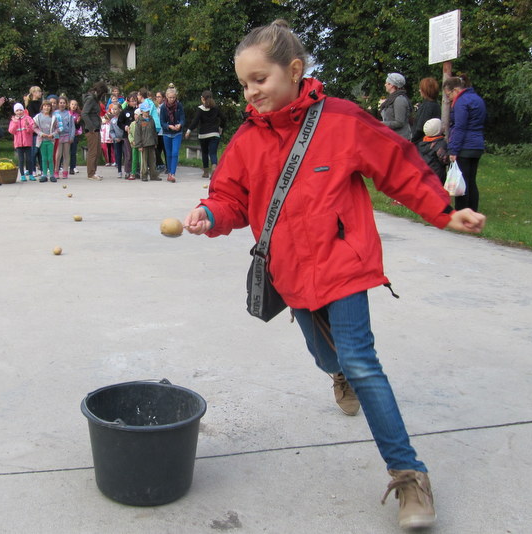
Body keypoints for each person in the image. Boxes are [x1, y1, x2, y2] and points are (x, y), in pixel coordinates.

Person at [182, 19, 486, 530]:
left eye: (260, 79)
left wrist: (442, 210)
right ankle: (336, 374)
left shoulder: (342, 120)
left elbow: (400, 165)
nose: (251, 92)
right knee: (326, 354)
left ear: (295, 70)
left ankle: (409, 475)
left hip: (344, 265)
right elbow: (231, 196)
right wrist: (210, 214)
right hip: (290, 272)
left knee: (362, 361)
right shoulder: (247, 139)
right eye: (243, 84)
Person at [444, 73, 486, 212]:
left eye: (449, 95)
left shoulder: (461, 102)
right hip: (477, 145)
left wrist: (454, 150)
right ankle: (473, 210)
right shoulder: (477, 99)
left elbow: (460, 127)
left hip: (465, 146)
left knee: (461, 181)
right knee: (471, 180)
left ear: (456, 90)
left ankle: (462, 211)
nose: (449, 99)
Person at [185, 90, 225, 178]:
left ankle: (206, 172)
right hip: (214, 133)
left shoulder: (200, 109)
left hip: (203, 134)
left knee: (205, 152)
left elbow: (195, 121)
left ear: (202, 98)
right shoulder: (215, 108)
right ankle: (214, 166)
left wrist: (189, 130)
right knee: (213, 153)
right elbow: (223, 118)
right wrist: (220, 128)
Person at [82, 82, 108, 181]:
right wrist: (91, 127)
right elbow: (84, 113)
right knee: (93, 152)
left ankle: (94, 172)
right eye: (103, 94)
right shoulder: (91, 99)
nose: (103, 96)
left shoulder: (95, 99)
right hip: (91, 129)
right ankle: (90, 173)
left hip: (96, 127)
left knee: (97, 151)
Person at [160, 84, 185, 182]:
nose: (172, 99)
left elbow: (183, 118)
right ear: (166, 97)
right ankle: (169, 172)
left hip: (177, 133)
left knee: (175, 153)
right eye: (170, 97)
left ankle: (173, 174)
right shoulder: (163, 107)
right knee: (169, 153)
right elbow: (161, 121)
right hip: (166, 133)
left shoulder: (179, 105)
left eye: (174, 97)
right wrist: (168, 126)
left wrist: (180, 124)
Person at [8, 102, 35, 182]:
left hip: (27, 143)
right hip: (19, 143)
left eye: (20, 110)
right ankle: (22, 175)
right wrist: (15, 123)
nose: (19, 112)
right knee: (21, 160)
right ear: (15, 112)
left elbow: (31, 130)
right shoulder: (13, 120)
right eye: (17, 110)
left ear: (23, 110)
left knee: (29, 159)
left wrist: (27, 125)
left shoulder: (28, 118)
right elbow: (11, 131)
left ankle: (30, 174)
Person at [380, 72, 412, 140]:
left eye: (387, 83)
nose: (385, 85)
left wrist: (381, 124)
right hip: (393, 137)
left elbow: (399, 122)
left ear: (391, 85)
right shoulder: (392, 99)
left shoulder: (399, 100)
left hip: (400, 139)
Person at [134, 101, 160, 181]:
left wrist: (156, 142)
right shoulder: (139, 121)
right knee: (144, 162)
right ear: (141, 111)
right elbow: (137, 134)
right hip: (144, 144)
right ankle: (144, 175)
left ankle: (153, 175)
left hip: (151, 143)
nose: (147, 112)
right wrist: (139, 145)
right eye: (146, 111)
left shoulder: (151, 119)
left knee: (153, 160)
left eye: (148, 111)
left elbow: (154, 132)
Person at [417, 118, 448, 184]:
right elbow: (444, 159)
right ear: (438, 130)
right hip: (437, 174)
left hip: (424, 173)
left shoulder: (421, 144)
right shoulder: (440, 143)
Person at [411, 77, 442, 145]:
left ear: (425, 90)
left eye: (421, 88)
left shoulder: (427, 106)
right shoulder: (436, 105)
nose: (419, 90)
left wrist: (411, 140)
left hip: (422, 143)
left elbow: (420, 128)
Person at [33, 100, 57, 182]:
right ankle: (44, 175)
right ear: (42, 107)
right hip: (42, 140)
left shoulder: (53, 117)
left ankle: (52, 175)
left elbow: (58, 128)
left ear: (51, 107)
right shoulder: (38, 117)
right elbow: (34, 127)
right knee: (44, 158)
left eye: (48, 106)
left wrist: (53, 134)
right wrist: (40, 133)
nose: (46, 107)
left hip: (50, 141)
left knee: (50, 158)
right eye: (45, 106)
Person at [117, 92, 138, 180]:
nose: (134, 103)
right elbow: (119, 122)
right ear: (128, 101)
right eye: (132, 101)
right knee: (128, 154)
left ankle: (136, 171)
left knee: (136, 154)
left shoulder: (138, 111)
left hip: (137, 136)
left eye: (135, 101)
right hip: (127, 136)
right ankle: (127, 171)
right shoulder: (124, 111)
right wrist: (125, 127)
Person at [54, 96, 75, 179]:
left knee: (66, 154)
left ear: (66, 104)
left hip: (67, 135)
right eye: (60, 103)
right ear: (58, 104)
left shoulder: (69, 114)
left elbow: (72, 126)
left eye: (64, 103)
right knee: (58, 155)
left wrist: (71, 136)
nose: (62, 104)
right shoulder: (55, 113)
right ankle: (56, 171)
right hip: (58, 136)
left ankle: (65, 171)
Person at [24, 86, 43, 177]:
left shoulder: (41, 103)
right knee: (34, 151)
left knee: (40, 151)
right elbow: (31, 117)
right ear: (34, 93)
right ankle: (33, 169)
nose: (40, 93)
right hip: (34, 131)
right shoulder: (30, 104)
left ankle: (42, 169)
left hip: (42, 130)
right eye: (38, 92)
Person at [109, 103, 125, 179]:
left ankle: (127, 170)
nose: (114, 111)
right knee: (118, 155)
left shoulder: (123, 118)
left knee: (126, 154)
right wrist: (115, 138)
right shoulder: (112, 120)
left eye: (116, 109)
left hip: (124, 139)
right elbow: (111, 131)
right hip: (117, 140)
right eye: (113, 109)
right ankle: (119, 171)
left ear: (120, 110)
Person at [68, 99, 83, 175]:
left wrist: (77, 122)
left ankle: (72, 167)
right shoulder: (67, 114)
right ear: (69, 105)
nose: (74, 106)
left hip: (74, 135)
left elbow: (78, 127)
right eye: (72, 104)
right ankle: (61, 167)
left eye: (75, 104)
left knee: (73, 152)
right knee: (64, 152)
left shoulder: (78, 115)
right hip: (66, 135)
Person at [154, 90, 167, 171]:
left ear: (163, 98)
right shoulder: (155, 107)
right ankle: (159, 164)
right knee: (156, 150)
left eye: (159, 97)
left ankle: (168, 167)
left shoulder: (165, 107)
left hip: (164, 132)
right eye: (156, 97)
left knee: (165, 150)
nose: (157, 98)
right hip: (157, 132)